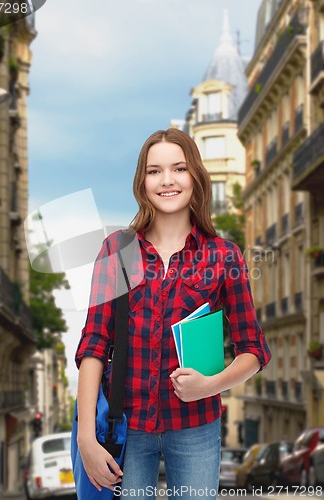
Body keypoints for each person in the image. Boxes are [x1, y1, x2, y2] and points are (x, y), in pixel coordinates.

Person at [75, 128, 271, 499]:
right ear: (142, 181)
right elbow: (94, 344)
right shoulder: (117, 249)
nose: (167, 180)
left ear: (195, 176)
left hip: (196, 427)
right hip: (124, 428)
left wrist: (210, 385)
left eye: (179, 168)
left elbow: (254, 350)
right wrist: (87, 435)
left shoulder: (223, 256)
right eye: (154, 171)